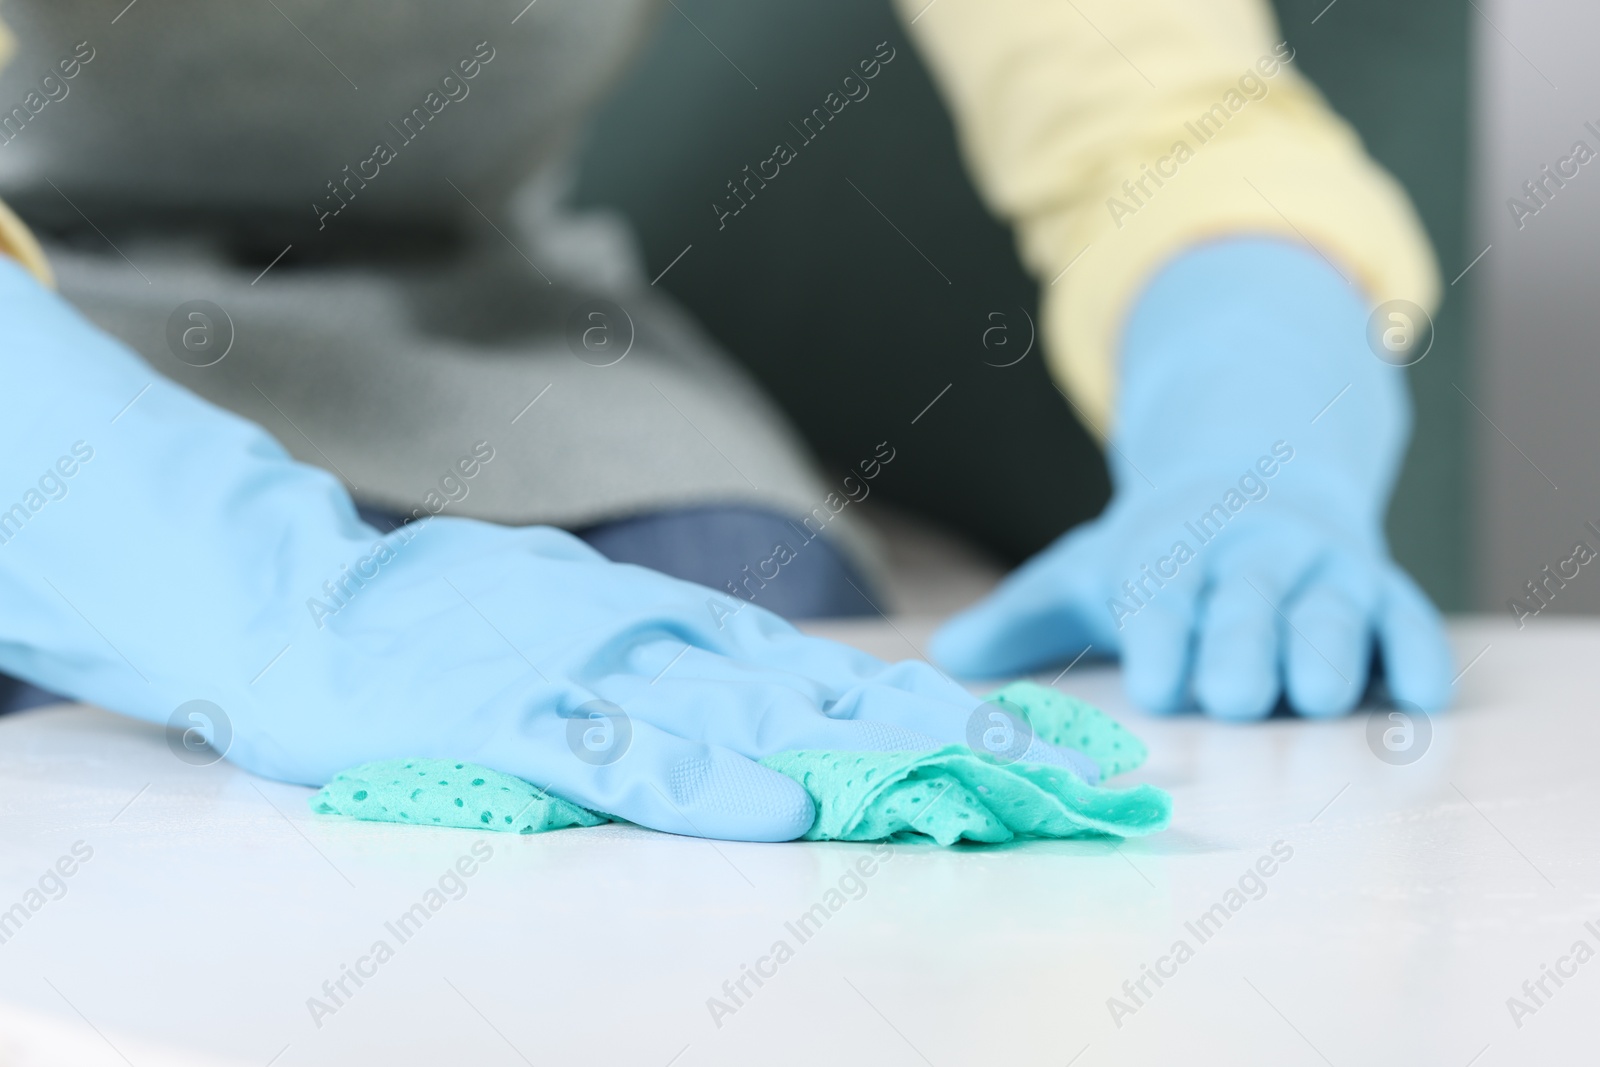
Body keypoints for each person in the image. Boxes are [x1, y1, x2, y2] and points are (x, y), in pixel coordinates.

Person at [0, 0, 1451, 840]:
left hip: (466, 325)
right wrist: (264, 592)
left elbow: (1161, 121)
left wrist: (1250, 435)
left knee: (751, 663)